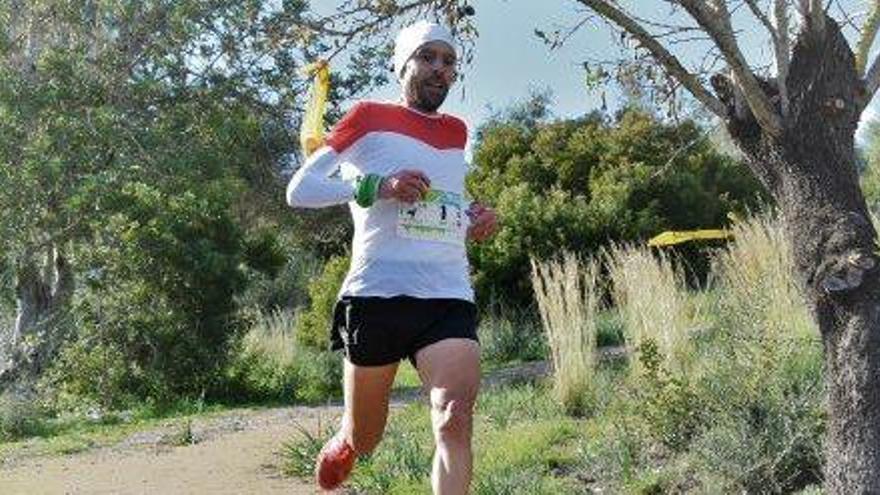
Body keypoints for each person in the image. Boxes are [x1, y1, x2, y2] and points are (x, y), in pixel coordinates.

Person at [285, 20, 498, 494]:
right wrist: (377, 185)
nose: (439, 70)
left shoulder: (457, 132)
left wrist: (475, 215)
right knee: (367, 437)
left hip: (446, 294)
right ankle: (347, 439)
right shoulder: (366, 117)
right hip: (376, 295)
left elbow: (443, 203)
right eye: (427, 57)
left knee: (454, 418)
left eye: (448, 61)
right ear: (401, 65)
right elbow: (300, 190)